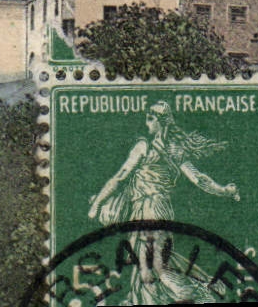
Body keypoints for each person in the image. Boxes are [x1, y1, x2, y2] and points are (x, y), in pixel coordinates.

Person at [87, 100, 240, 303]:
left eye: (150, 119)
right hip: (155, 211)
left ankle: (200, 293)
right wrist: (225, 191)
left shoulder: (144, 146)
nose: (146, 123)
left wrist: (97, 203)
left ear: (162, 122)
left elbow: (120, 176)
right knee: (147, 269)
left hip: (149, 210)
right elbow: (200, 179)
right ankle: (203, 283)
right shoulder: (175, 151)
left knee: (155, 268)